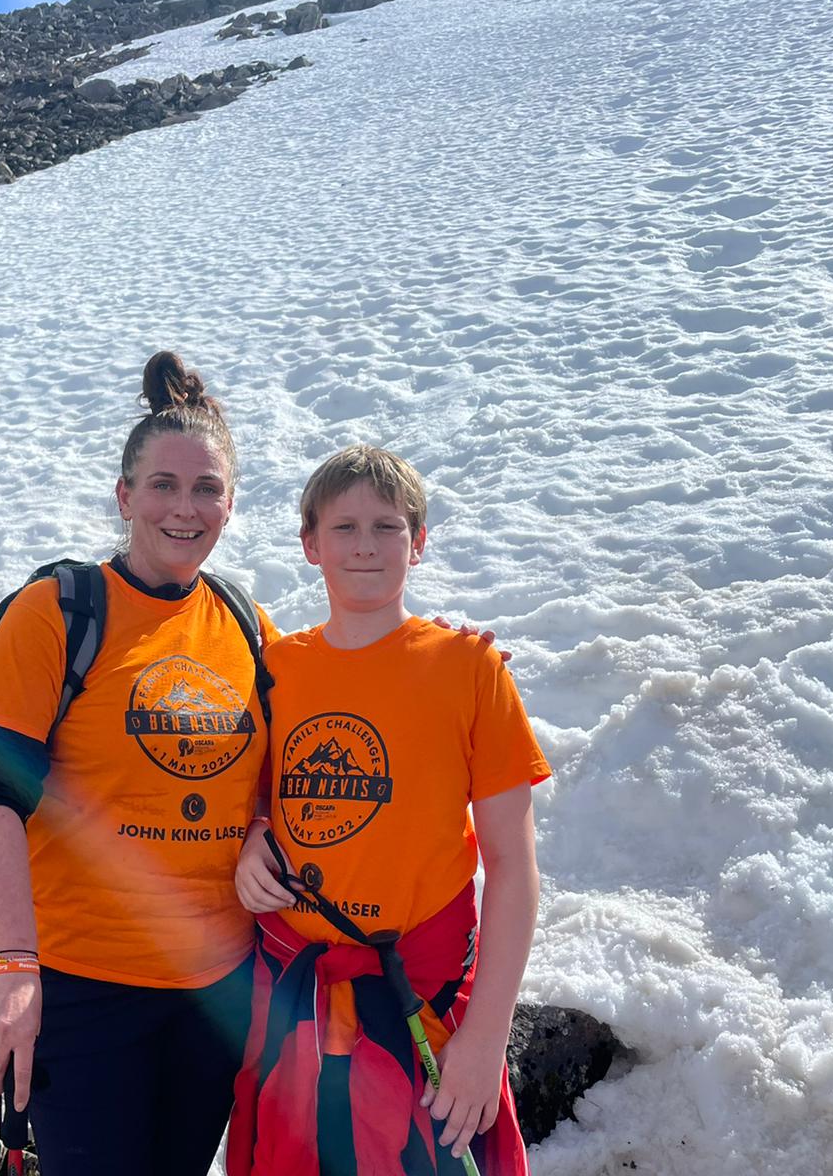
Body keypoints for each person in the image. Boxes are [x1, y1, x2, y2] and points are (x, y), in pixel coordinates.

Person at [0, 351, 277, 1176]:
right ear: (124, 496)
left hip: (215, 992)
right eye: (163, 485)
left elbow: (288, 768)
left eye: (206, 488)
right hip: (83, 989)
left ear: (231, 505)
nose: (185, 507)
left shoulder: (247, 625)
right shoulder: (59, 613)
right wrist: (11, 966)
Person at [230, 444, 551, 1176]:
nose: (366, 546)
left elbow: (513, 864)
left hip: (423, 1004)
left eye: (387, 526)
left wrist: (483, 1038)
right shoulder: (279, 670)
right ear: (310, 545)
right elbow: (252, 790)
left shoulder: (468, 668)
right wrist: (253, 836)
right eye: (343, 528)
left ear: (420, 542)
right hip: (294, 1006)